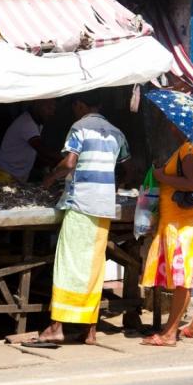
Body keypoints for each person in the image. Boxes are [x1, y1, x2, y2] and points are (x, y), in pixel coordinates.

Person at [33, 90, 131, 345]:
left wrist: (49, 179)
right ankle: (90, 331)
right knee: (93, 268)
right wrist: (109, 185)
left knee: (68, 265)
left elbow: (69, 162)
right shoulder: (116, 132)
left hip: (81, 204)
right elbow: (128, 169)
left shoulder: (79, 128)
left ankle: (57, 327)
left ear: (78, 105)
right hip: (103, 207)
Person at [140, 124, 193, 347]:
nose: (170, 126)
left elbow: (191, 183)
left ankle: (170, 333)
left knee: (184, 279)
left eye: (173, 122)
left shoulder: (189, 150)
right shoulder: (190, 148)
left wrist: (161, 176)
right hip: (185, 222)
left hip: (180, 225)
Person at [0, 99, 60, 184]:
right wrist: (65, 161)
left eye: (53, 109)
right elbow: (42, 150)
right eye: (49, 108)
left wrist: (49, 164)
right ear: (37, 104)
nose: (51, 113)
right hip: (5, 177)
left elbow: (34, 153)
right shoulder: (27, 123)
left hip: (16, 177)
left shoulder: (38, 124)